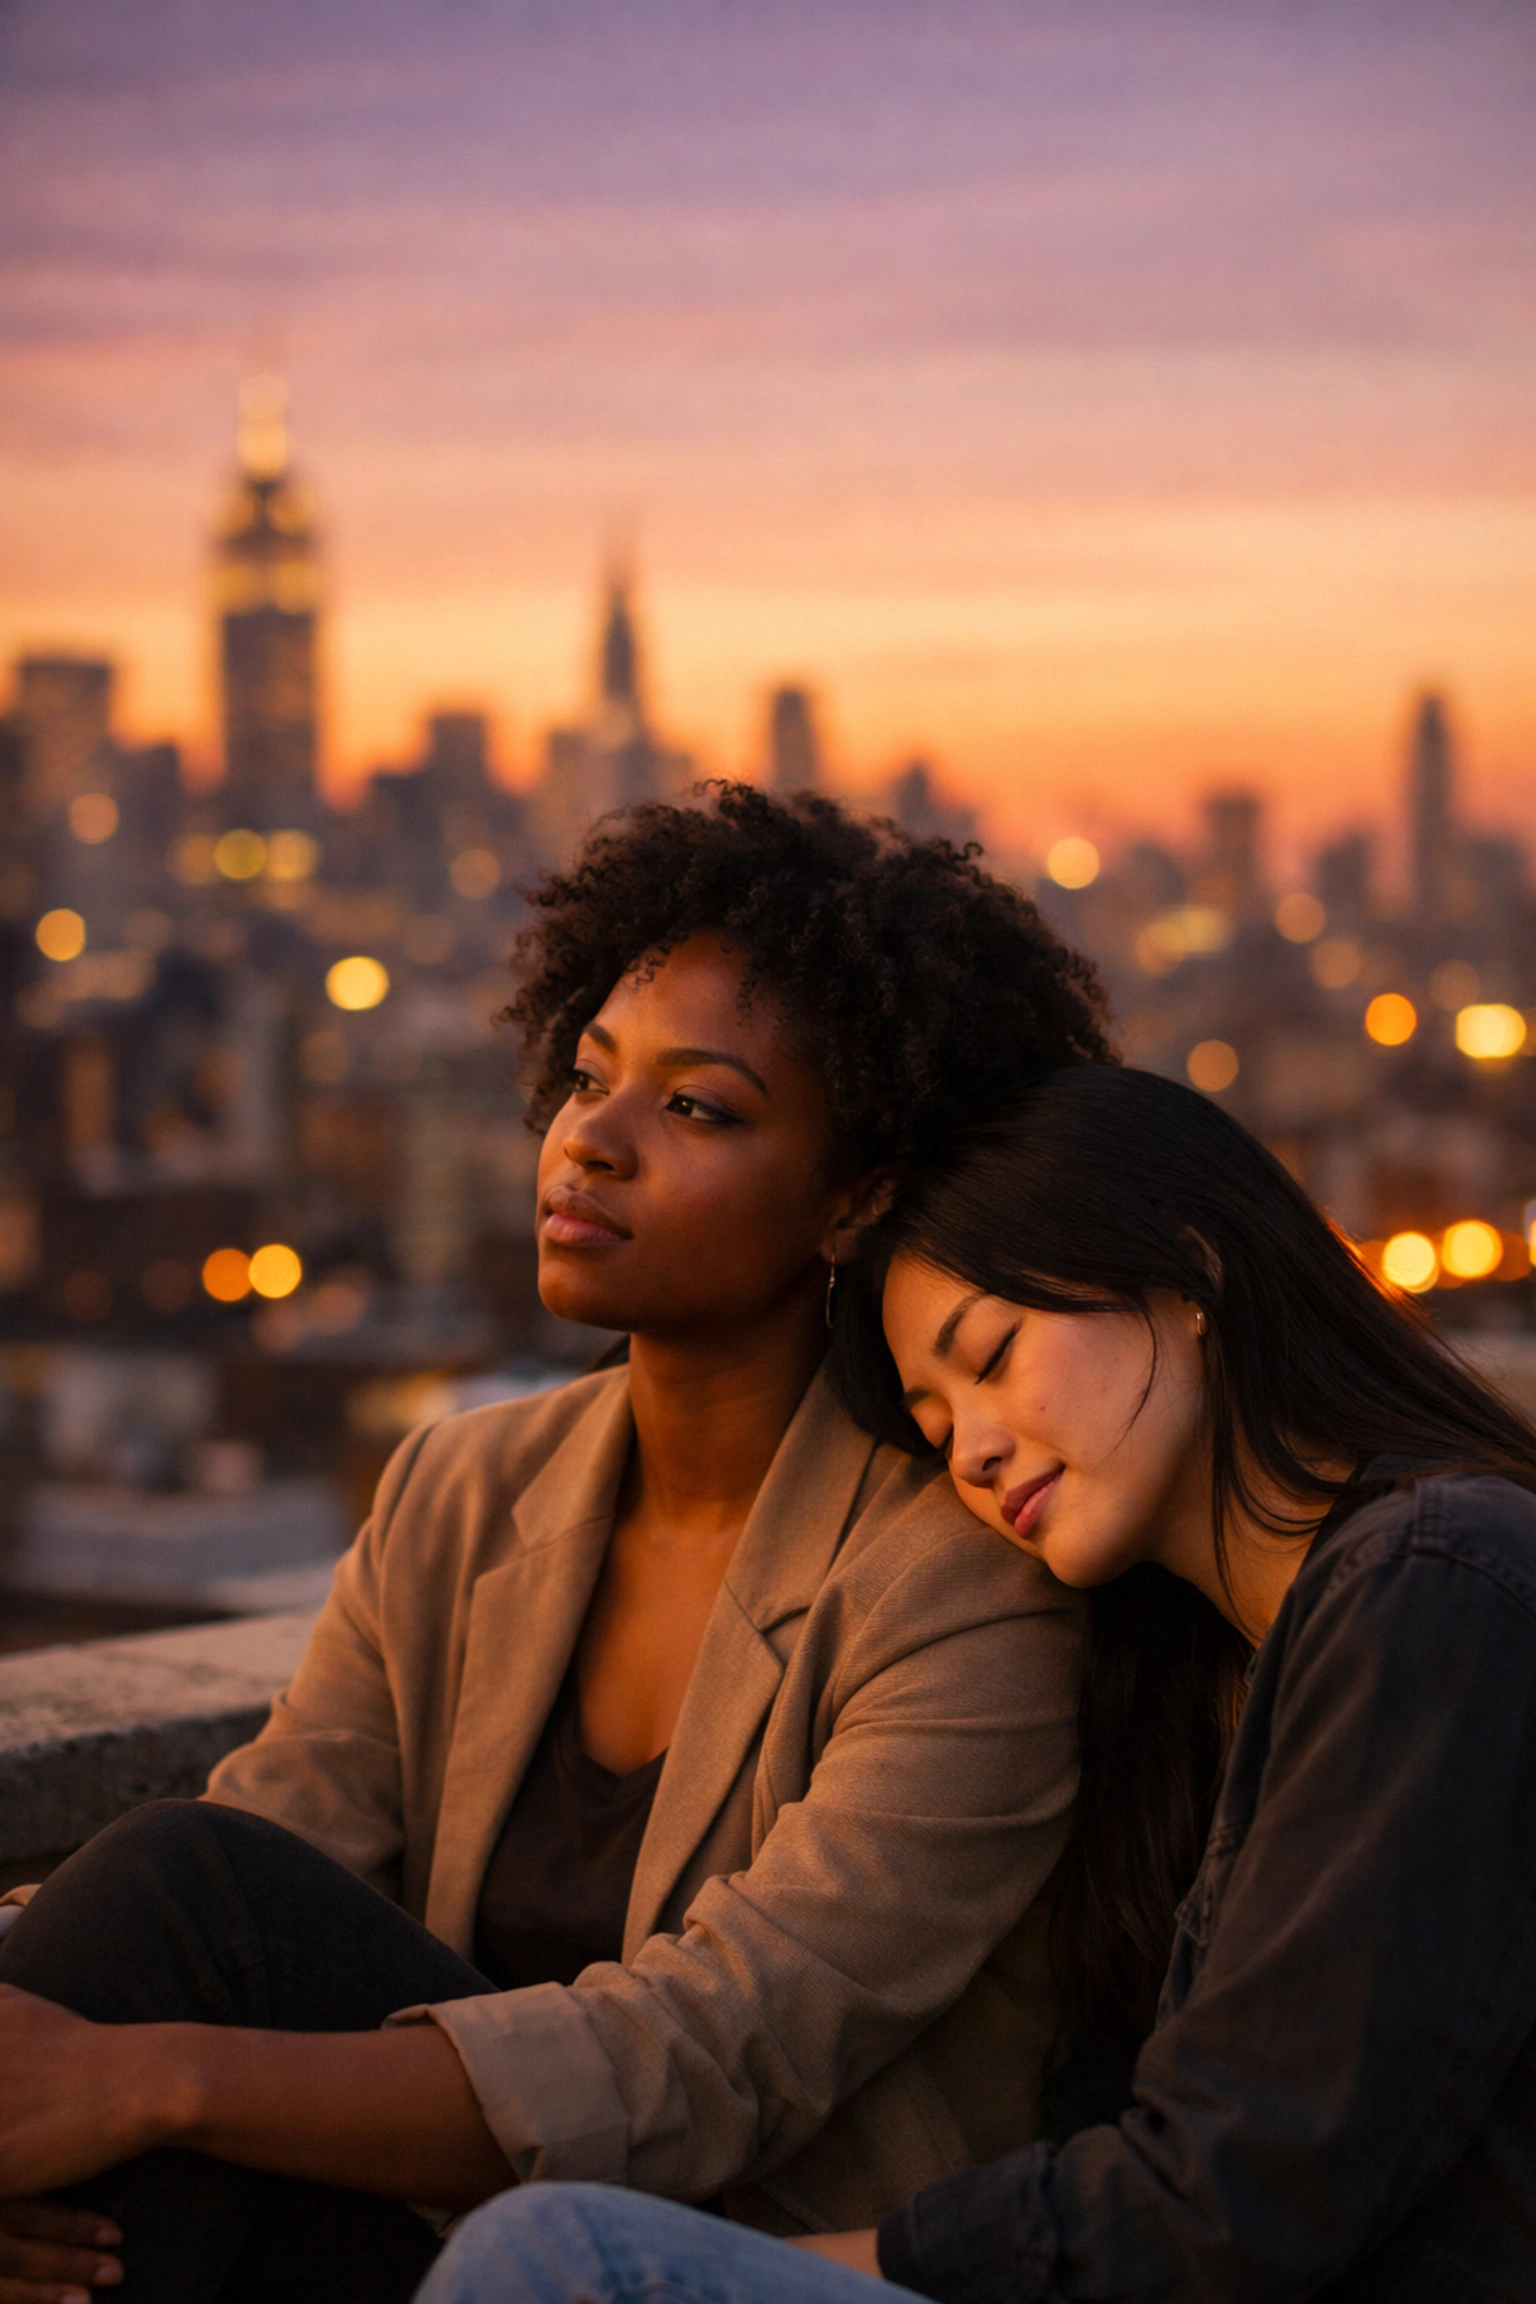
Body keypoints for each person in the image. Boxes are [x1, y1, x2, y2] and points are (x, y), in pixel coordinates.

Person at [0, 785, 1110, 2304]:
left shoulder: (962, 1580)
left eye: (696, 1108)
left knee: (177, 1923)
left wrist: (150, 2084)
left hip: (733, 2254)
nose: (591, 1140)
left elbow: (720, 2056)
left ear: (855, 1197)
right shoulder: (465, 1486)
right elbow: (279, 1852)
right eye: (590, 1077)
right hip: (428, 2235)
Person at [412, 1062, 1536, 2304]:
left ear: (1192, 1268)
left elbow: (1239, 2196)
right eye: (937, 1427)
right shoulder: (1214, 1686)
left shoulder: (1435, 1583)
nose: (978, 1450)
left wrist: (762, 2274)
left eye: (992, 1356)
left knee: (554, 2259)